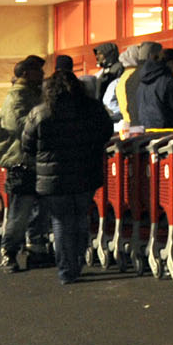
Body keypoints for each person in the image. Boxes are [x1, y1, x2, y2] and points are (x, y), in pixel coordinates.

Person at [20, 69, 113, 284]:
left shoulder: (40, 113)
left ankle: (66, 269)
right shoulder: (91, 109)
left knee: (61, 222)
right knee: (81, 218)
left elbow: (27, 144)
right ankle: (78, 260)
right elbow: (106, 131)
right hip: (85, 173)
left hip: (53, 179)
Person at [0, 54, 53, 272]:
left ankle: (37, 251)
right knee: (20, 212)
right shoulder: (16, 98)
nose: (43, 75)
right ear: (27, 73)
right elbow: (20, 126)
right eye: (39, 72)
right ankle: (8, 253)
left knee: (40, 210)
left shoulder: (34, 94)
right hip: (22, 161)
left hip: (37, 160)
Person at [129, 45, 173, 130]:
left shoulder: (143, 79)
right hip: (166, 127)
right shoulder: (170, 80)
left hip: (145, 125)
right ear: (170, 63)